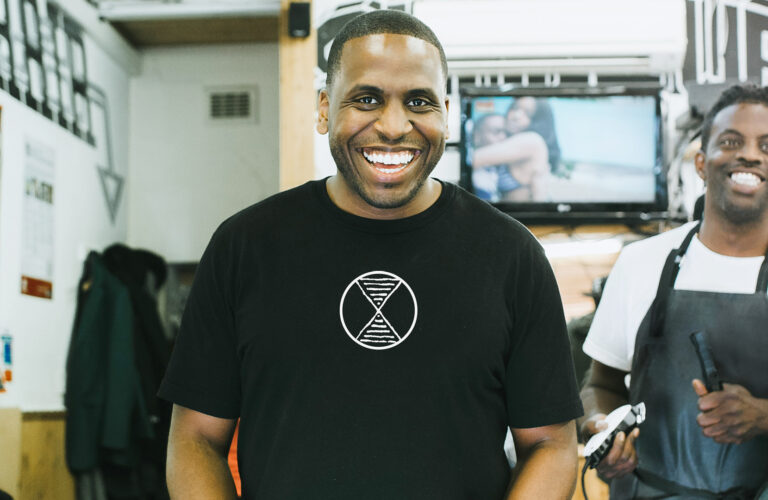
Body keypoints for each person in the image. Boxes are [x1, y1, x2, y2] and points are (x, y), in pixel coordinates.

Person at [159, 9, 583, 500]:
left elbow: (551, 444)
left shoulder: (512, 256)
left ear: (445, 114)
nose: (394, 125)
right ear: (324, 109)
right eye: (367, 99)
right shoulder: (244, 247)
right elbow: (195, 440)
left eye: (419, 101)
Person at [579, 84, 768, 498]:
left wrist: (763, 416)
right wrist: (602, 427)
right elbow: (600, 384)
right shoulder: (641, 262)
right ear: (701, 163)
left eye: (766, 146)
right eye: (731, 141)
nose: (750, 155)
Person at [472, 97, 558, 201]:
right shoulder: (509, 142)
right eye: (515, 108)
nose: (516, 116)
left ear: (538, 121)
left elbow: (472, 159)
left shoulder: (531, 140)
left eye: (527, 113)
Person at [470, 113, 523, 201]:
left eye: (507, 133)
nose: (503, 137)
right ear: (477, 136)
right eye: (496, 132)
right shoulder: (476, 175)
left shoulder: (506, 167)